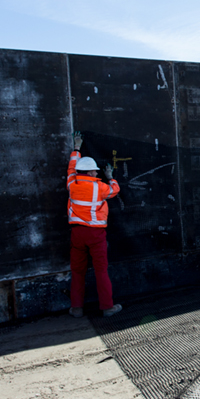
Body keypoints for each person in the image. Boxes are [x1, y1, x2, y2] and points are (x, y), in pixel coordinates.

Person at [67, 131, 123, 318]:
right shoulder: (100, 187)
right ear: (91, 172)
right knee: (101, 271)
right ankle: (107, 307)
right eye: (95, 171)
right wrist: (110, 176)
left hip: (77, 233)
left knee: (77, 271)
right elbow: (115, 190)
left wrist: (77, 147)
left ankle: (76, 308)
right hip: (96, 234)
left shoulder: (71, 184)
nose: (96, 172)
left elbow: (71, 166)